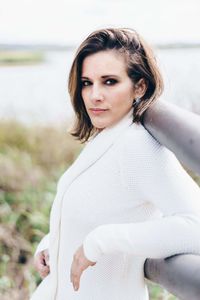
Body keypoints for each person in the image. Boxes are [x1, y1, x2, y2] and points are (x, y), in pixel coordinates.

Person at [31, 28, 200, 300]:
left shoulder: (137, 146)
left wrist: (102, 240)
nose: (94, 95)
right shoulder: (107, 138)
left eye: (109, 82)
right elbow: (101, 207)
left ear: (140, 86)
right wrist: (55, 242)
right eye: (87, 82)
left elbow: (196, 226)